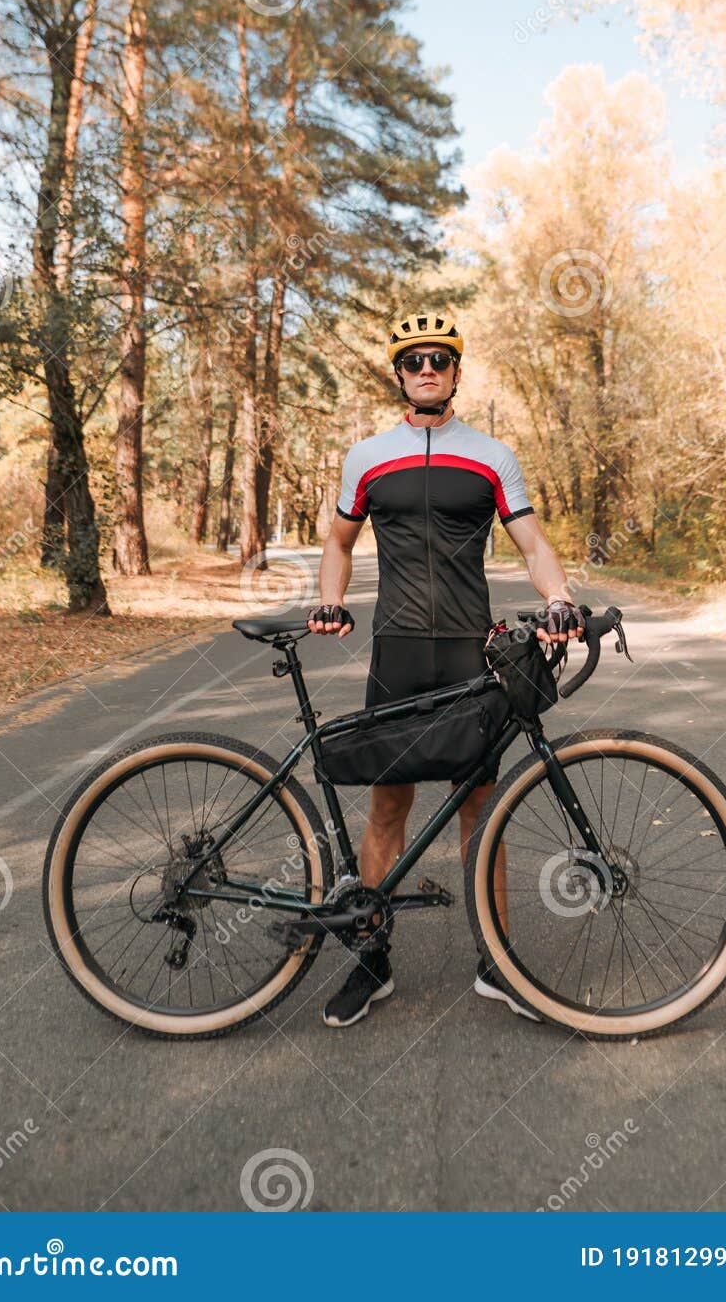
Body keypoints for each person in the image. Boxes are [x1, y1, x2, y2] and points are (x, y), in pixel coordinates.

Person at [308, 312, 584, 1028]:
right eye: (412, 360)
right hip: (397, 652)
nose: (426, 369)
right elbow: (338, 542)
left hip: (470, 653)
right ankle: (372, 960)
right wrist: (330, 602)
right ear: (398, 375)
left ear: (457, 372)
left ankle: (496, 963)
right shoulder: (366, 456)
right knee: (387, 808)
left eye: (439, 359)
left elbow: (531, 542)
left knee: (480, 811)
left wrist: (558, 596)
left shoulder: (491, 457)